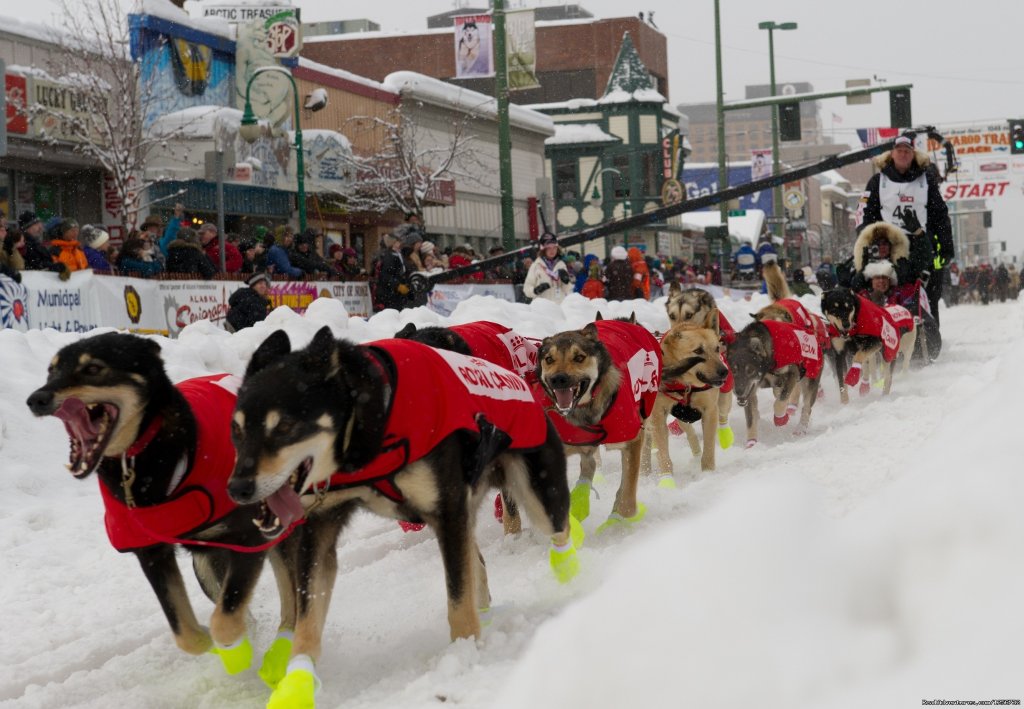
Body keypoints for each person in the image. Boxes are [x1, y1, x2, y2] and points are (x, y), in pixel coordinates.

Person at [859, 132, 953, 323]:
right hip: (888, 246)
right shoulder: (877, 182)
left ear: (913, 155)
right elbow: (863, 214)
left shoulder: (927, 181)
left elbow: (941, 216)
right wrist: (868, 239)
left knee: (928, 292)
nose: (903, 154)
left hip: (922, 243)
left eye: (907, 151)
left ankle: (929, 333)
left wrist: (946, 247)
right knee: (886, 289)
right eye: (899, 150)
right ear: (892, 154)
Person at [523, 232, 573, 303]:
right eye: (549, 248)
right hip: (542, 308)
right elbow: (526, 288)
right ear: (543, 249)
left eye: (554, 247)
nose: (552, 250)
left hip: (558, 307)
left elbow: (568, 290)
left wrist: (566, 281)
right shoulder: (536, 265)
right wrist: (535, 290)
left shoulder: (561, 264)